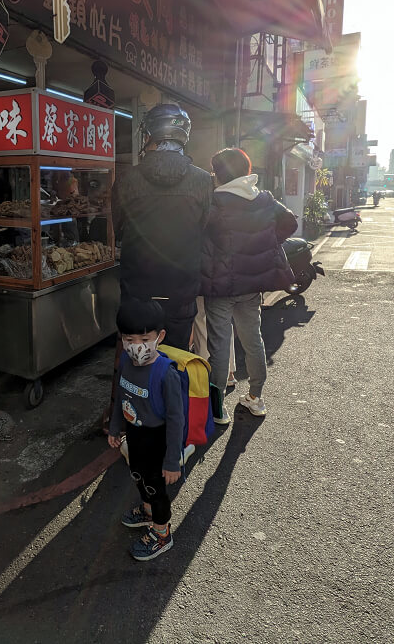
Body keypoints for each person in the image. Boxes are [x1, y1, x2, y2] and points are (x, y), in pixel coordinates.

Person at [201, 148, 298, 420]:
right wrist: (264, 242)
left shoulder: (214, 201)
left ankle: (217, 407)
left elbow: (198, 234)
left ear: (219, 174)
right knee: (253, 339)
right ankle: (256, 397)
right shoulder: (263, 199)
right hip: (252, 285)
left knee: (219, 346)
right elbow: (289, 223)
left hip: (220, 286)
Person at [111, 103, 212, 349]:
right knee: (176, 357)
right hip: (182, 286)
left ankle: (136, 389)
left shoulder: (126, 179)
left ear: (149, 135)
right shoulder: (203, 180)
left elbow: (118, 228)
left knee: (138, 354)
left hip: (137, 285)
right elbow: (204, 226)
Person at [108, 298, 185, 561]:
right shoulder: (126, 364)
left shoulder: (166, 374)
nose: (136, 346)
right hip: (136, 437)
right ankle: (148, 511)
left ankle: (162, 533)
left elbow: (177, 420)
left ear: (159, 336)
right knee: (138, 477)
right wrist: (115, 428)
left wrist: (173, 460)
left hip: (158, 441)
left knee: (156, 488)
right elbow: (121, 398)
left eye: (144, 339)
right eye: (129, 339)